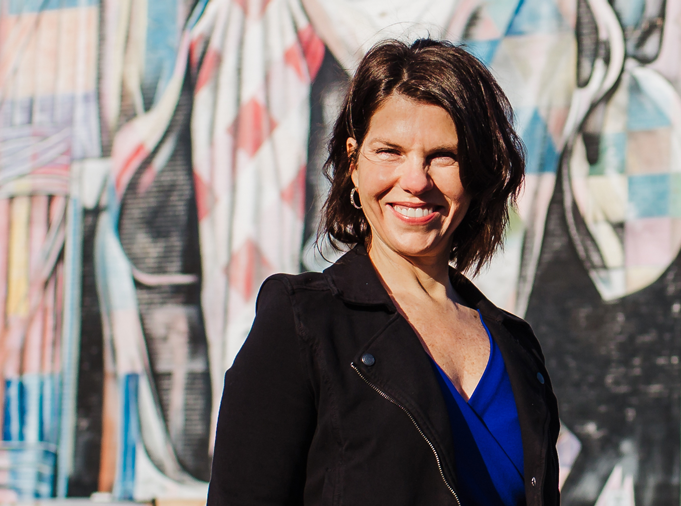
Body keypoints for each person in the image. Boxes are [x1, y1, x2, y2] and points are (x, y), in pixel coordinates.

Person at [207, 39, 561, 506]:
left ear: (477, 173)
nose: (415, 181)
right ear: (353, 162)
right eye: (389, 151)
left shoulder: (518, 349)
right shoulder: (301, 323)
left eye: (443, 155)